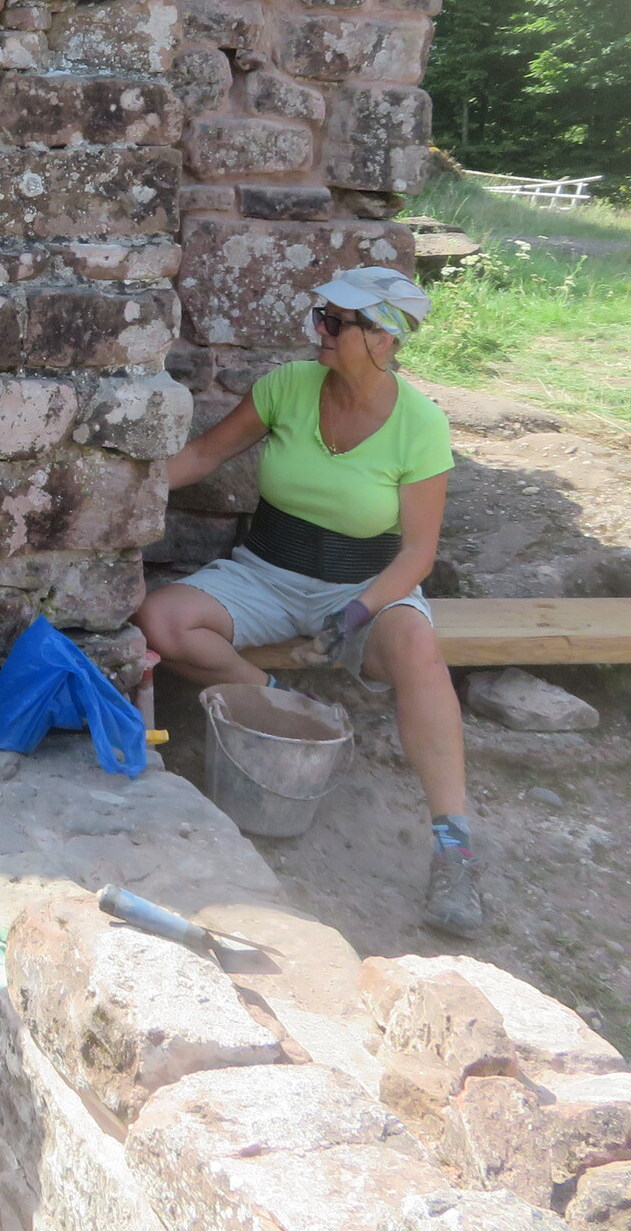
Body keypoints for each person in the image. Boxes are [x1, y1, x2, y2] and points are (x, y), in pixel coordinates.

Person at [134, 268, 484, 938]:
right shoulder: (288, 387)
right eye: (320, 315)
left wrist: (357, 613)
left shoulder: (420, 425)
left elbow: (417, 554)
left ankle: (453, 847)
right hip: (266, 574)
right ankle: (286, 709)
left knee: (418, 646)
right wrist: (120, 489)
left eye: (335, 322)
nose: (318, 330)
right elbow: (203, 454)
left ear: (383, 338)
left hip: (365, 588)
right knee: (161, 619)